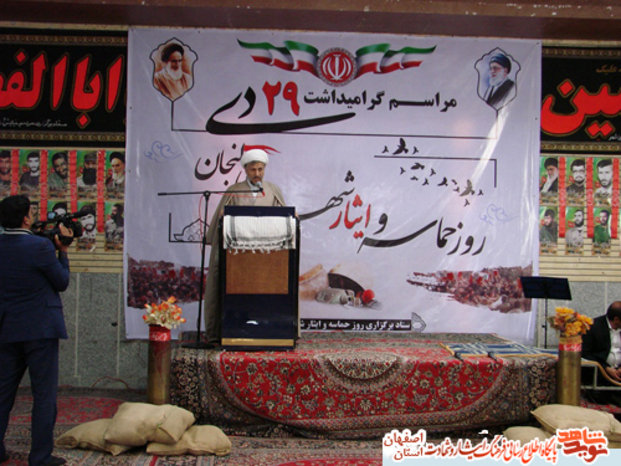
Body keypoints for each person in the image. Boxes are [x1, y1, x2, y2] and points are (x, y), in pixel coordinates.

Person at [0, 194, 72, 466]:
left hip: (7, 328)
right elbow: (61, 281)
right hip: (40, 329)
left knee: (3, 392)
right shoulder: (39, 247)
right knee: (43, 395)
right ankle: (40, 456)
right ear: (25, 218)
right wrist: (63, 251)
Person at [203, 148, 285, 346]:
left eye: (260, 169)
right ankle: (227, 331)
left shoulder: (273, 190)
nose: (257, 174)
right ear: (245, 170)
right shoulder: (234, 190)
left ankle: (268, 332)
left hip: (265, 257)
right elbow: (221, 220)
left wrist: (290, 218)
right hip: (237, 258)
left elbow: (282, 219)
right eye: (253, 170)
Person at [582, 302, 621, 407]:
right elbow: (585, 354)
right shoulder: (593, 327)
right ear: (616, 320)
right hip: (600, 373)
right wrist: (606, 368)